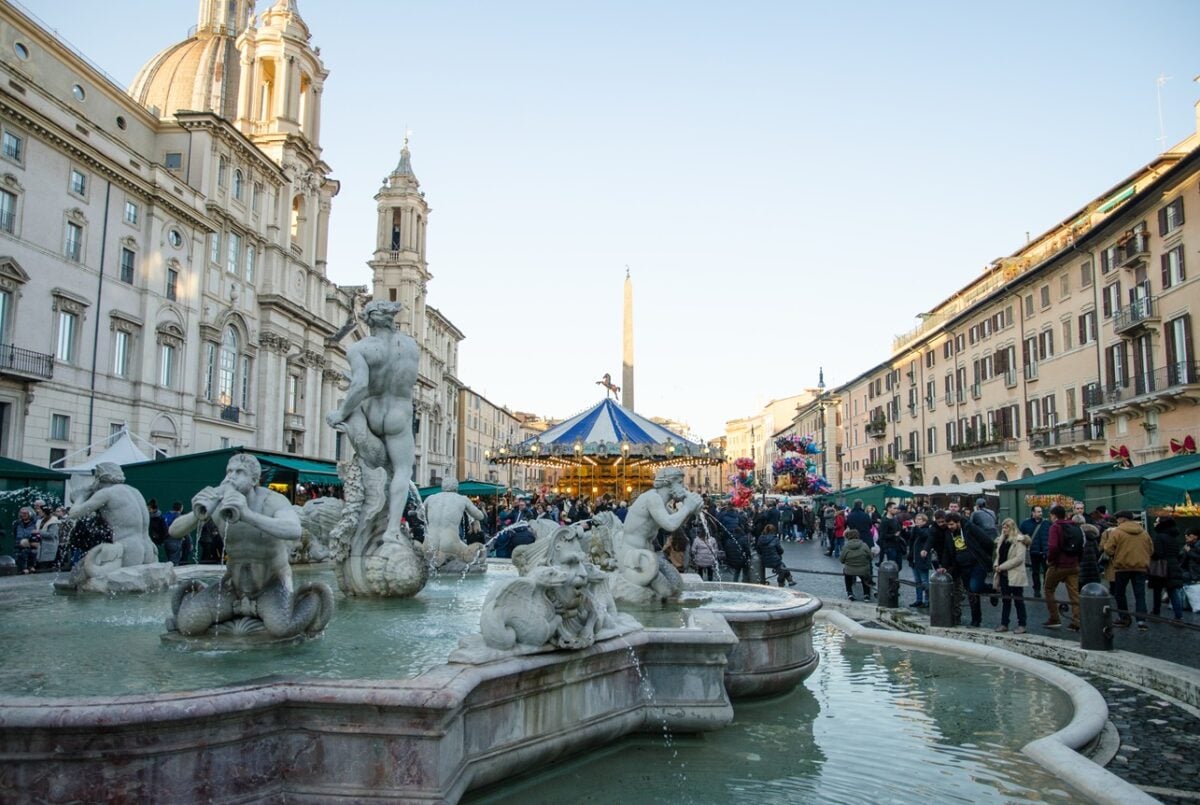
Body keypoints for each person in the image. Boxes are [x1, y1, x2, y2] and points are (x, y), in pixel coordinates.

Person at [168, 453, 331, 638]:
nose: (231, 477)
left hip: (271, 583)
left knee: (281, 628)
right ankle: (198, 595)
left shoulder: (272, 501)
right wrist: (196, 513)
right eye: (229, 471)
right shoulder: (217, 501)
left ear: (254, 479)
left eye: (239, 472)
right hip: (233, 585)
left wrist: (247, 515)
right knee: (188, 625)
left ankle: (309, 598)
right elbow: (174, 531)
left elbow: (294, 530)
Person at [325, 299, 419, 538]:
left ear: (368, 321)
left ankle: (364, 520)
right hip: (399, 414)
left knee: (369, 465)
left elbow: (359, 386)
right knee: (402, 471)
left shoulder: (359, 348)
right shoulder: (411, 347)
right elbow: (408, 380)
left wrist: (340, 414)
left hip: (371, 413)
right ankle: (391, 530)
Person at [1102, 511, 1154, 630]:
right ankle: (1141, 620)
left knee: (1120, 593)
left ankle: (1124, 618)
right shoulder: (1144, 532)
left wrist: (1115, 555)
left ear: (1122, 519)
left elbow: (1108, 549)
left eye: (1118, 519)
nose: (1117, 521)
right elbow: (1151, 549)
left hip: (1122, 567)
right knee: (1140, 594)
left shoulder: (1117, 532)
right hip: (1140, 567)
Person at [423, 477, 487, 564]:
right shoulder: (462, 499)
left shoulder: (430, 498)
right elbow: (480, 516)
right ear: (456, 487)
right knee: (476, 556)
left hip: (429, 542)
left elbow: (420, 515)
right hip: (449, 542)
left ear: (442, 486)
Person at [1044, 504, 1082, 631]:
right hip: (1074, 564)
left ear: (1054, 516)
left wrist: (1050, 560)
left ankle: (1054, 618)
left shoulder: (1055, 527)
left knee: (1048, 589)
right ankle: (1077, 621)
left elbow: (1053, 547)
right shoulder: (1074, 526)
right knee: (1074, 594)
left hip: (1059, 565)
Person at [992, 518, 1029, 634]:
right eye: (1003, 527)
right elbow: (998, 556)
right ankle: (1004, 623)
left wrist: (1002, 566)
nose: (1004, 529)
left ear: (1012, 528)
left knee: (1018, 600)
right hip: (1003, 574)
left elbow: (1019, 559)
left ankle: (1022, 624)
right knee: (1006, 600)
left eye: (1007, 527)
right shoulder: (1001, 540)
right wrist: (996, 565)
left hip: (1015, 574)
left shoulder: (1019, 540)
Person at [1149, 516, 1185, 622]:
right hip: (1173, 565)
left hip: (1161, 566)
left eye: (1157, 521)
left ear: (1162, 523)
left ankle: (1156, 612)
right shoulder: (1174, 537)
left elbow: (1158, 553)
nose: (1155, 523)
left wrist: (1151, 555)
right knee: (1173, 591)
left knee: (1157, 590)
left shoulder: (1159, 536)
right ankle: (1179, 616)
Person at [1019, 505, 1051, 598]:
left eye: (1041, 511)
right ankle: (1036, 590)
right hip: (1033, 552)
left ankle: (1046, 589)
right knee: (1035, 572)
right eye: (1038, 511)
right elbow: (1020, 536)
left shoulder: (1047, 523)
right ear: (1033, 513)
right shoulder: (1025, 524)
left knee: (1047, 572)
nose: (1040, 513)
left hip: (1045, 552)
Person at [907, 512, 933, 608]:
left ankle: (928, 600)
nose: (916, 521)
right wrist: (906, 530)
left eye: (919, 519)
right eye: (916, 519)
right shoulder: (915, 530)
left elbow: (923, 536)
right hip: (914, 559)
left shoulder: (927, 530)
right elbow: (910, 540)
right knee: (917, 582)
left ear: (924, 521)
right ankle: (919, 600)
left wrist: (915, 528)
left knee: (924, 581)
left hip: (922, 560)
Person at [840, 528, 872, 600]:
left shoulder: (846, 547)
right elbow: (870, 557)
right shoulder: (864, 545)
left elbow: (841, 560)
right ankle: (866, 594)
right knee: (865, 577)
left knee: (847, 576)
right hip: (863, 569)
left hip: (850, 569)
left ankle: (850, 593)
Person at [13, 506, 38, 574]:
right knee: (21, 552)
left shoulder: (35, 523)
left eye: (25, 513)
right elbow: (15, 534)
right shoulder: (17, 523)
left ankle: (31, 566)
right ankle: (23, 568)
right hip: (19, 545)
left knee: (32, 551)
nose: (23, 515)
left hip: (31, 544)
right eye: (21, 513)